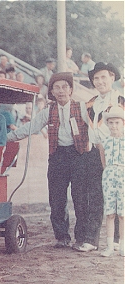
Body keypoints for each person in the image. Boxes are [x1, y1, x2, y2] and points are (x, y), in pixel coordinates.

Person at [7, 72, 91, 248]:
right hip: (57, 156)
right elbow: (31, 127)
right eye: (56, 87)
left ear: (71, 89)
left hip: (79, 156)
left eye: (64, 87)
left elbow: (96, 128)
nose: (61, 91)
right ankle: (62, 237)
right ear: (51, 91)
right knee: (57, 198)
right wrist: (7, 137)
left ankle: (82, 238)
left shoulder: (82, 107)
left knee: (80, 198)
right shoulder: (48, 111)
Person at [82, 62, 125, 252]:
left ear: (112, 78)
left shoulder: (121, 100)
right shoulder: (90, 103)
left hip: (117, 152)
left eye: (103, 77)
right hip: (95, 152)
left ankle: (117, 240)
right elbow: (91, 128)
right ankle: (92, 239)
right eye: (96, 78)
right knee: (94, 195)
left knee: (118, 196)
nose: (100, 81)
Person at [98, 106, 124, 257]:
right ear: (107, 124)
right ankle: (109, 246)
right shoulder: (104, 141)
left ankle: (122, 245)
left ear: (123, 123)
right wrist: (109, 172)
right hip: (109, 177)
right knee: (110, 213)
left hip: (123, 176)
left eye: (117, 122)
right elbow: (103, 162)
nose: (114, 126)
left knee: (122, 214)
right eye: (111, 122)